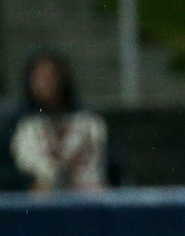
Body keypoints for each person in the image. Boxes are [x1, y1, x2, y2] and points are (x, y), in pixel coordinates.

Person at [0, 49, 119, 192]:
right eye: (40, 77)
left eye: (51, 77)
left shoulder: (89, 120)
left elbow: (113, 165)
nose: (46, 84)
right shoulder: (15, 122)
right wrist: (28, 183)